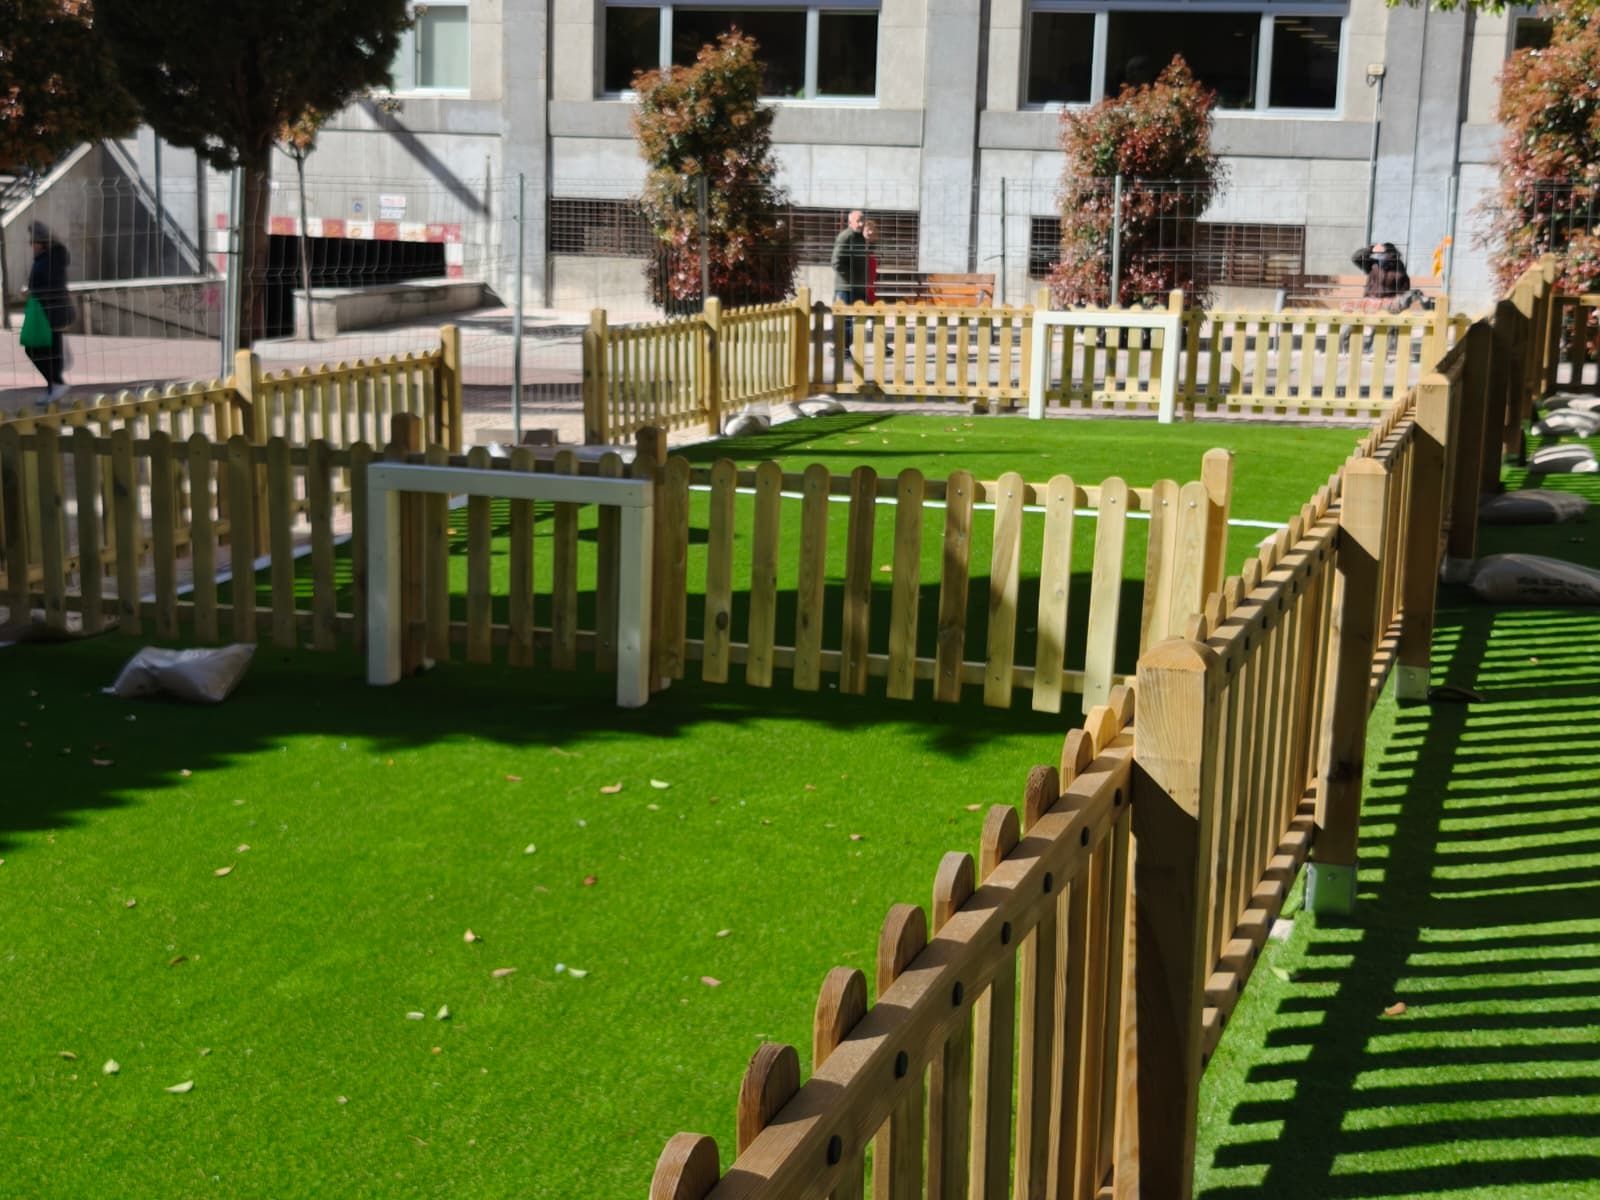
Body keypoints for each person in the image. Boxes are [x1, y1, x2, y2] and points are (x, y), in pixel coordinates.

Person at [24, 222, 73, 401]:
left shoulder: (51, 259)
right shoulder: (47, 258)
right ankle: (54, 385)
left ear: (42, 242)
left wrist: (33, 292)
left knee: (38, 349)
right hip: (47, 310)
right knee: (48, 350)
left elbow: (51, 285)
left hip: (51, 311)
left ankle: (56, 384)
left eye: (33, 242)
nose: (31, 246)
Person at [830, 209, 868, 346]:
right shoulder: (845, 237)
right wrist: (850, 278)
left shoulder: (860, 238)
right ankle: (842, 349)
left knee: (858, 319)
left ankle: (846, 348)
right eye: (858, 221)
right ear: (850, 221)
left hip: (858, 287)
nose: (861, 224)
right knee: (844, 320)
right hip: (845, 287)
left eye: (862, 220)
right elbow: (836, 262)